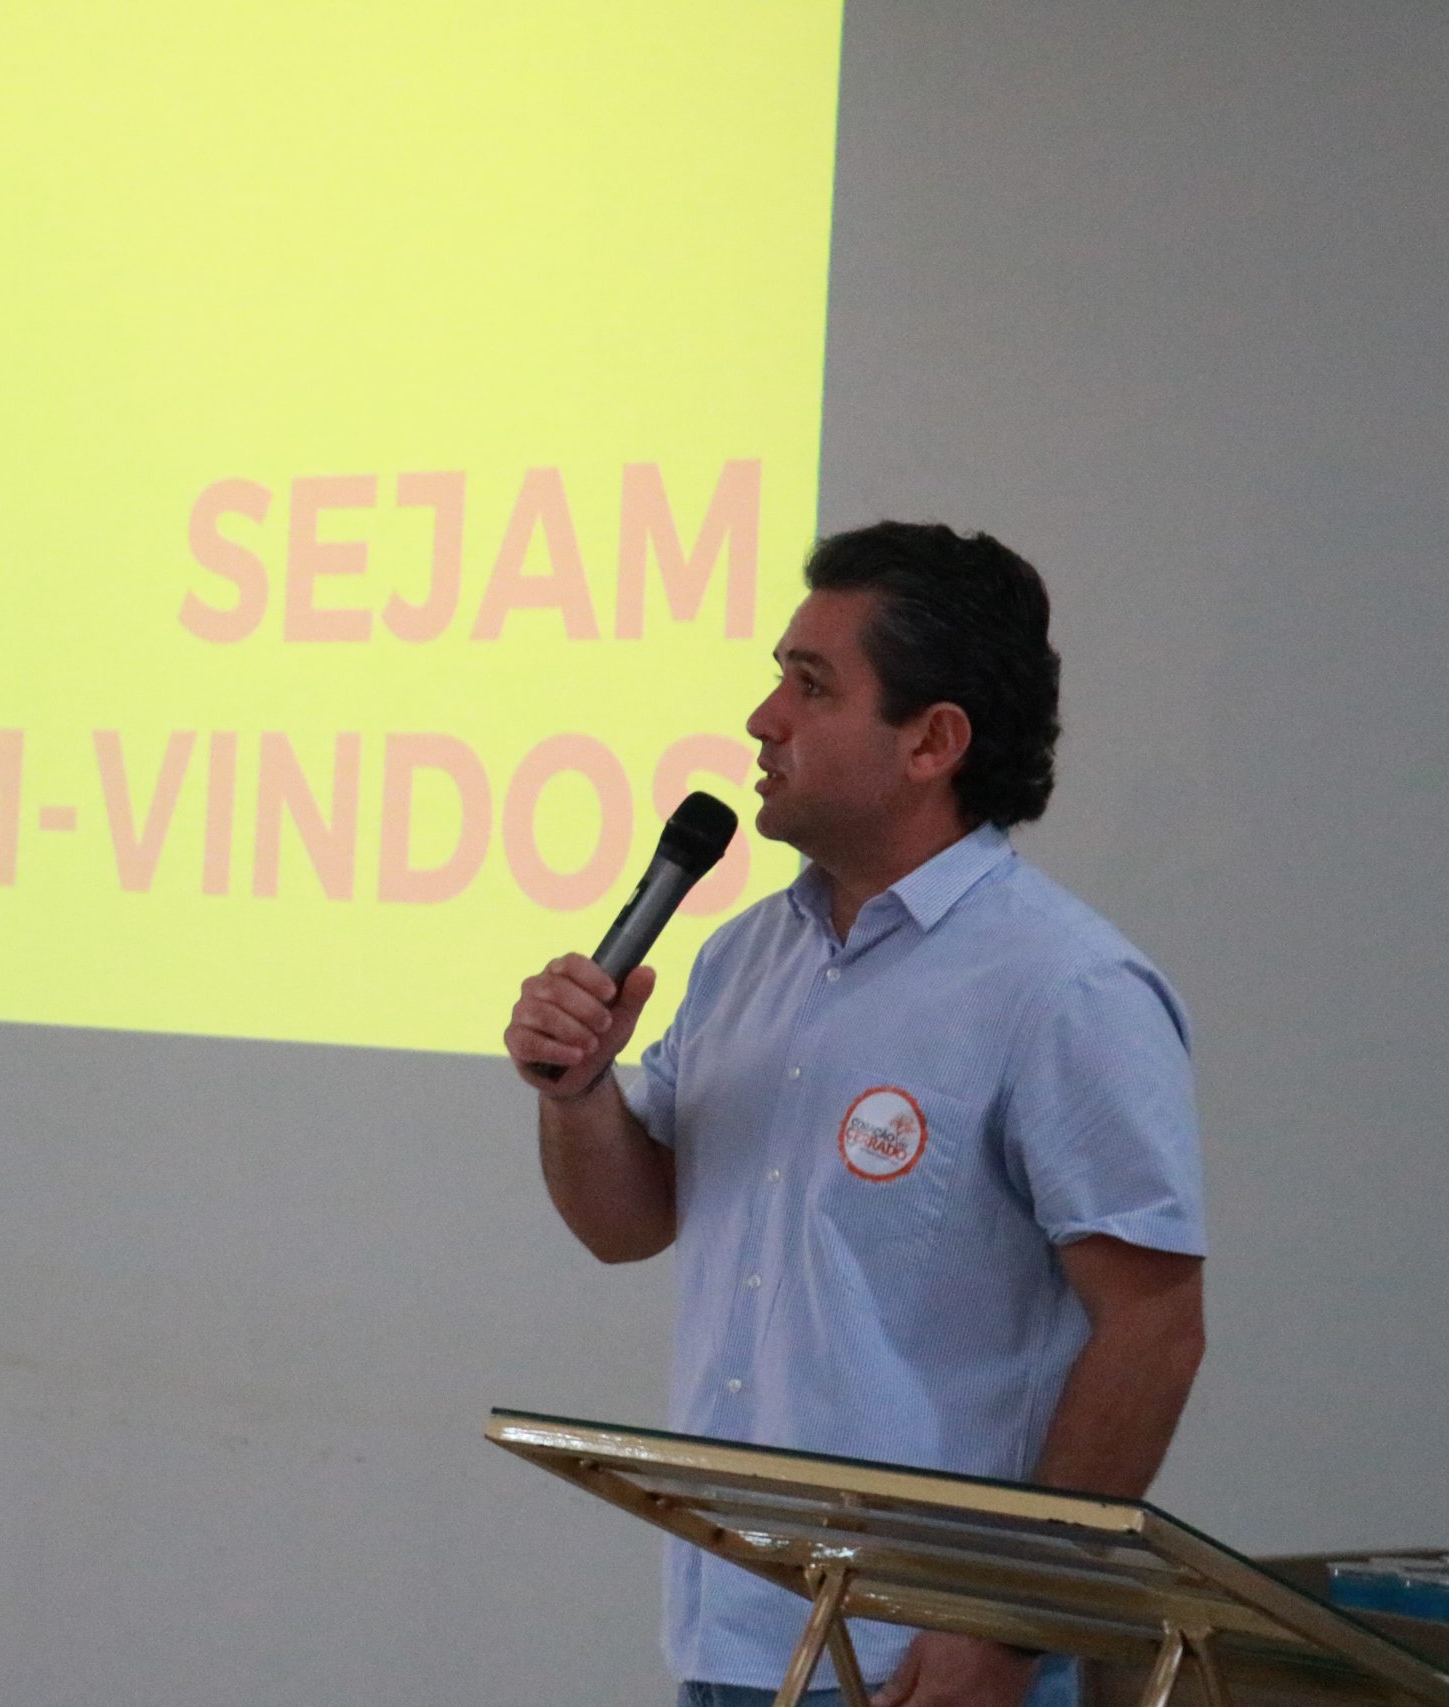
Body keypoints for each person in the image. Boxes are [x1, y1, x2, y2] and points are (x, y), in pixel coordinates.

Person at [503, 522, 1206, 1707]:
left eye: (810, 685)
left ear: (931, 741)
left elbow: (1153, 1327)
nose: (761, 718)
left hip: (921, 1661)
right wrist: (578, 1093)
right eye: (777, 677)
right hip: (733, 1636)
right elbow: (625, 1224)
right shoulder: (739, 959)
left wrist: (1008, 1624)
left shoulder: (1062, 987)